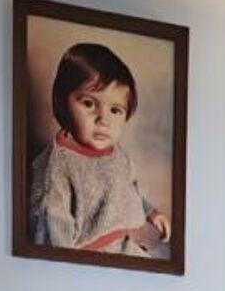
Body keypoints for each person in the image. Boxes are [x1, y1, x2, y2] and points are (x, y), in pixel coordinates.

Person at [29, 43, 170, 255]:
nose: (103, 119)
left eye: (115, 110)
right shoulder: (57, 167)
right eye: (88, 104)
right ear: (63, 103)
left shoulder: (117, 154)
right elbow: (53, 227)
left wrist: (150, 212)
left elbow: (127, 189)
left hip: (121, 244)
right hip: (85, 255)